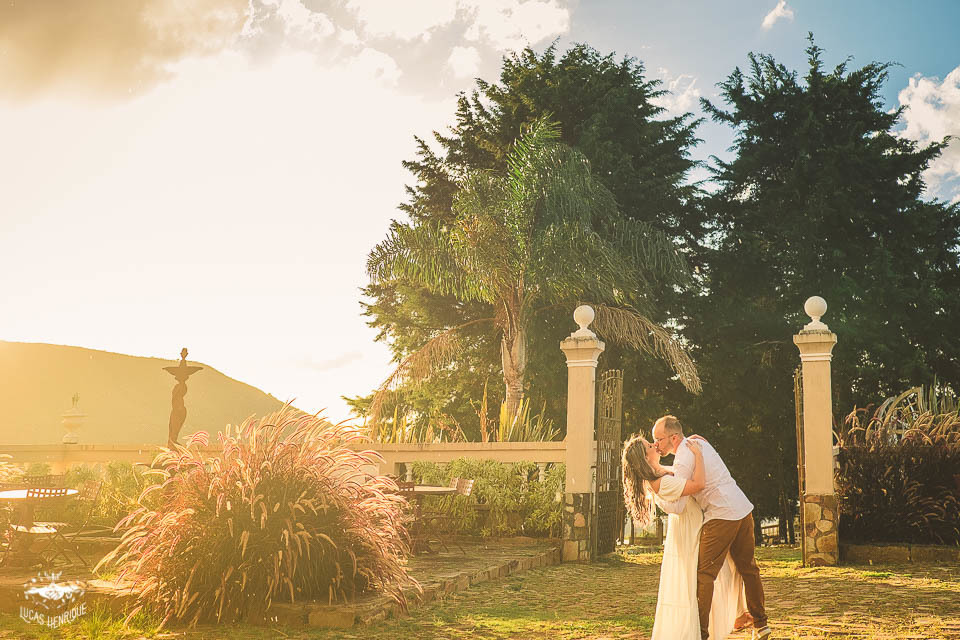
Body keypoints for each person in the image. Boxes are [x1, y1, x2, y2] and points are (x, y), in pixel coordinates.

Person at [652, 415, 771, 640]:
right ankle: (761, 624)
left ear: (673, 437)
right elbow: (679, 472)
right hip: (742, 509)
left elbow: (677, 505)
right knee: (748, 568)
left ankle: (701, 633)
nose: (656, 444)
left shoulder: (684, 457)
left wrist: (655, 495)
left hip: (721, 516)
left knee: (704, 575)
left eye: (658, 439)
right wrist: (658, 468)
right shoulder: (699, 444)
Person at [623, 434, 747, 640]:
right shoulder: (659, 481)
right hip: (690, 530)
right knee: (707, 577)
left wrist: (690, 440)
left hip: (692, 525)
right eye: (650, 445)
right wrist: (698, 454)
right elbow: (695, 486)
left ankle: (734, 616)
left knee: (720, 571)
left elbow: (680, 471)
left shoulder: (660, 474)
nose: (655, 445)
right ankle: (709, 627)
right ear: (645, 458)